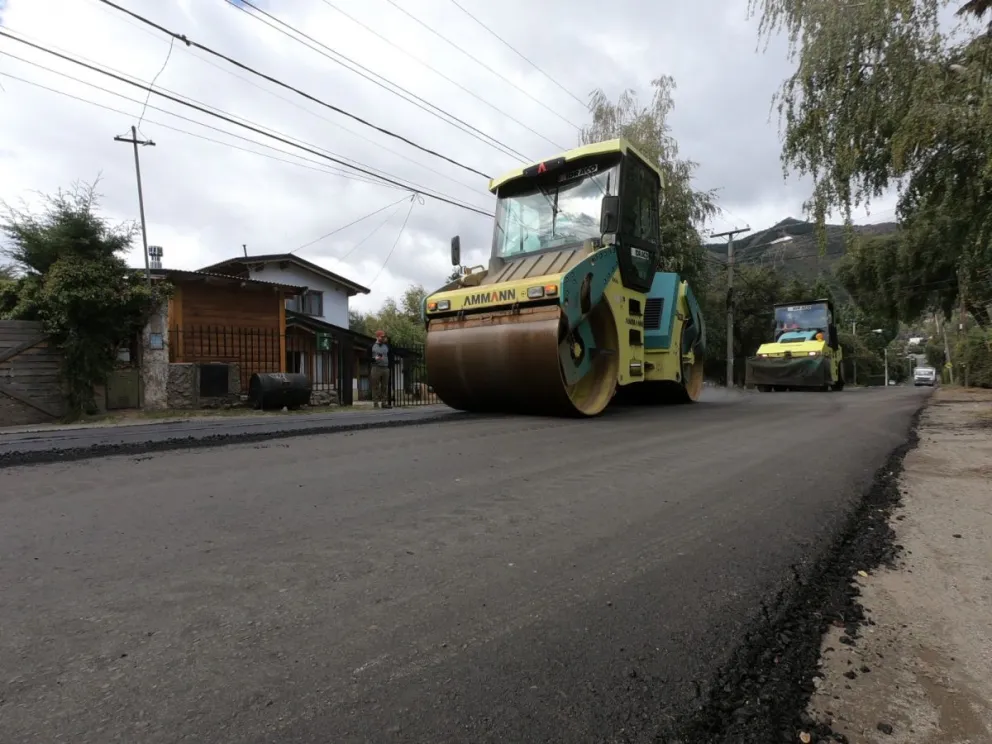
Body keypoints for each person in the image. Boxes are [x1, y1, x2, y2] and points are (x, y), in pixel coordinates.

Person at [370, 330, 391, 408]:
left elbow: (390, 355)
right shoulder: (371, 346)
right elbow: (366, 357)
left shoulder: (387, 346)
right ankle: (376, 403)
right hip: (376, 368)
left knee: (384, 386)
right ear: (377, 337)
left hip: (385, 368)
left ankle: (384, 403)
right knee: (375, 386)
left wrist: (389, 366)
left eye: (384, 337)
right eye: (381, 337)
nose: (383, 338)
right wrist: (374, 358)